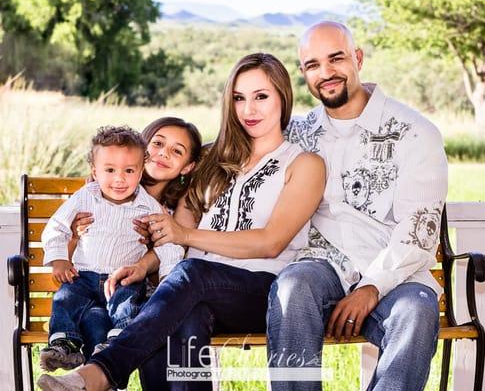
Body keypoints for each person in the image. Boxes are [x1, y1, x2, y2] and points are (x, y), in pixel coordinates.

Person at [37, 52, 326, 391]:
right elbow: (171, 227)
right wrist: (146, 262)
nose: (249, 109)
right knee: (178, 315)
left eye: (261, 96)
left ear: (283, 97)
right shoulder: (213, 160)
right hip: (194, 289)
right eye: (239, 98)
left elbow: (271, 242)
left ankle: (102, 371)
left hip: (259, 287)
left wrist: (186, 234)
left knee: (191, 275)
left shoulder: (304, 163)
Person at [266, 22, 448, 390]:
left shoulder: (414, 132)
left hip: (396, 272)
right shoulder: (297, 134)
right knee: (292, 287)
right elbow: (230, 153)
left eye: (336, 58)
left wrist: (372, 287)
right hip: (322, 265)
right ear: (304, 74)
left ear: (358, 58)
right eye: (312, 65)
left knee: (416, 312)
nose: (326, 73)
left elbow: (418, 229)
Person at [39, 126, 188, 372]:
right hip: (83, 276)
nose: (119, 179)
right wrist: (59, 259)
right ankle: (64, 345)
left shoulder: (148, 207)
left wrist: (166, 280)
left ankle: (117, 343)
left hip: (123, 278)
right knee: (66, 298)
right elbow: (57, 226)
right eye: (110, 170)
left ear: (140, 171)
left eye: (129, 171)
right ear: (94, 171)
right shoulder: (85, 197)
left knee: (123, 305)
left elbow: (169, 244)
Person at [65, 117, 203, 360]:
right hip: (92, 286)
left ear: (187, 167)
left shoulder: (181, 206)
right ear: (143, 147)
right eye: (157, 143)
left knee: (151, 320)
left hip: (143, 295)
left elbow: (173, 253)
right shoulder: (102, 190)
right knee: (93, 317)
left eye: (176, 151)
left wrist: (146, 256)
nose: (163, 154)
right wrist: (76, 234)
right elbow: (69, 246)